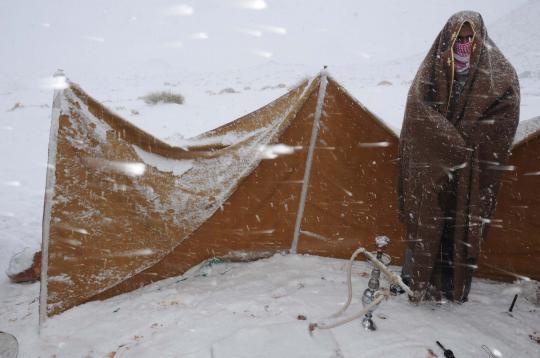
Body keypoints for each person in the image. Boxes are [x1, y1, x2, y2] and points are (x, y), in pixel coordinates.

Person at [397, 11, 520, 303]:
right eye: (458, 38)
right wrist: (446, 140)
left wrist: (467, 142)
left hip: (471, 167)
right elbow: (417, 110)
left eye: (469, 38)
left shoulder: (499, 73)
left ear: (480, 39)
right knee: (427, 217)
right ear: (447, 38)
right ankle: (415, 280)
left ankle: (451, 287)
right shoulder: (433, 68)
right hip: (435, 163)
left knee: (462, 221)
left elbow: (504, 118)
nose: (463, 44)